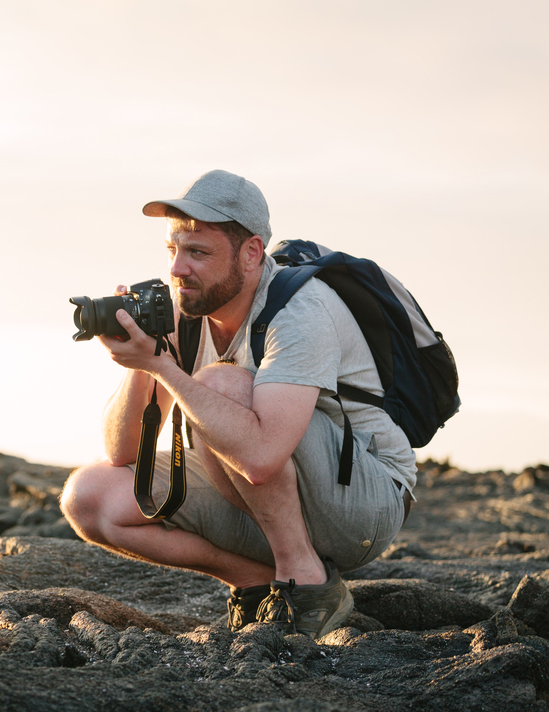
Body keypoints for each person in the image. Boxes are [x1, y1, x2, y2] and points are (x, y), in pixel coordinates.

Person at [61, 170, 416, 639]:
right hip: (266, 488)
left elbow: (262, 457)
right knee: (88, 497)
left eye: (198, 253)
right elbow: (122, 453)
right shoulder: (185, 310)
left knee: (222, 387)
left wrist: (166, 370)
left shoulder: (299, 309)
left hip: (364, 502)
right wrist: (144, 362)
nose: (177, 269)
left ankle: (306, 580)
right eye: (173, 250)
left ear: (251, 254)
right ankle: (252, 580)